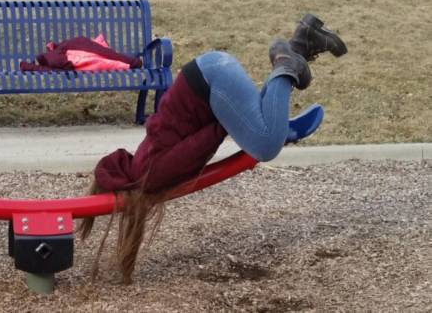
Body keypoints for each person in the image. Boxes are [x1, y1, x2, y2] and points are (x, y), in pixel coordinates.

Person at [79, 14, 347, 284]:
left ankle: (288, 60)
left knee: (265, 145)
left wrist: (235, 127)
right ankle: (302, 42)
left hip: (210, 82)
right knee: (265, 136)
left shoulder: (149, 174)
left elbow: (194, 149)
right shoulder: (142, 162)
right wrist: (241, 125)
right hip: (209, 73)